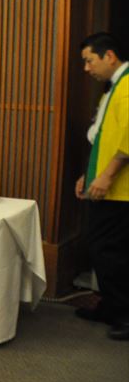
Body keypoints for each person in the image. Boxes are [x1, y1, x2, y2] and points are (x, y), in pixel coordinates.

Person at [74, 32, 129, 341]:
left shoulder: (128, 86)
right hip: (106, 183)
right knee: (102, 248)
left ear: (109, 56)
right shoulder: (113, 88)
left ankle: (124, 314)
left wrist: (107, 175)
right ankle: (111, 306)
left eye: (89, 60)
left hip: (120, 189)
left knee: (110, 251)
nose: (86, 68)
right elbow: (102, 137)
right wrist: (89, 173)